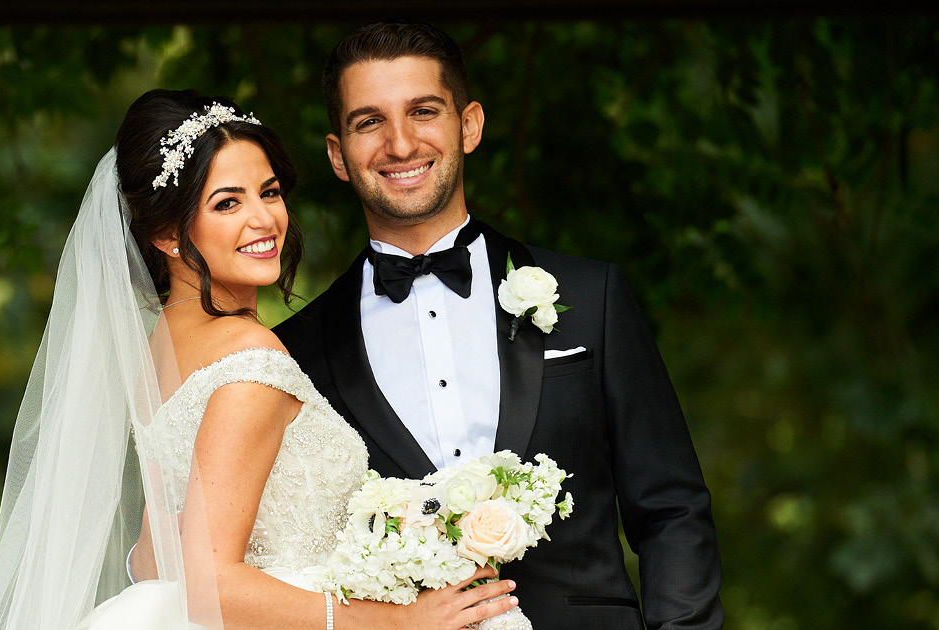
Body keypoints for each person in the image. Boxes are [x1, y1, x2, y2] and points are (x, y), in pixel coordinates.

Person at [0, 89, 519, 630]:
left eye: (270, 192)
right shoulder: (251, 361)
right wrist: (399, 623)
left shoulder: (159, 349)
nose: (263, 220)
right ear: (165, 233)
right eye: (227, 203)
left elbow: (150, 558)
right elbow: (212, 588)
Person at [274, 21, 725, 630]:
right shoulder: (294, 352)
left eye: (423, 111)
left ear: (469, 125)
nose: (400, 143)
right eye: (369, 121)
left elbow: (671, 509)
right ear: (337, 154)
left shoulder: (592, 297)